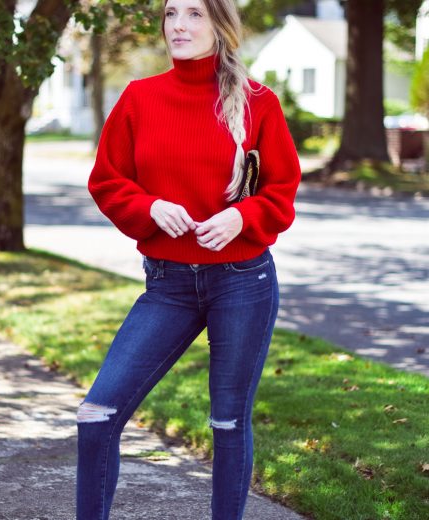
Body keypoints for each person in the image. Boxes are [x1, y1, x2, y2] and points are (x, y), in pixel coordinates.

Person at [76, 0, 301, 518]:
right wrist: (150, 206)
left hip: (242, 282)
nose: (179, 24)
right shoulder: (139, 98)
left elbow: (282, 189)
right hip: (168, 285)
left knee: (227, 422)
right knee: (97, 413)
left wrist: (242, 218)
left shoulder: (257, 102)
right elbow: (107, 180)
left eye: (194, 14)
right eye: (171, 12)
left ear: (220, 25)